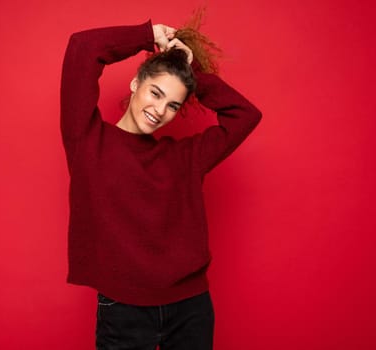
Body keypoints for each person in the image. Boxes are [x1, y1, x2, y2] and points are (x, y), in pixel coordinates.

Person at [60, 14, 262, 350]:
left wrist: (193, 71)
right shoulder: (87, 142)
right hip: (123, 311)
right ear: (135, 83)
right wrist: (147, 35)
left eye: (172, 105)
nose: (159, 110)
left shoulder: (185, 157)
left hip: (190, 307)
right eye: (155, 92)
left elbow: (245, 116)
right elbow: (82, 49)